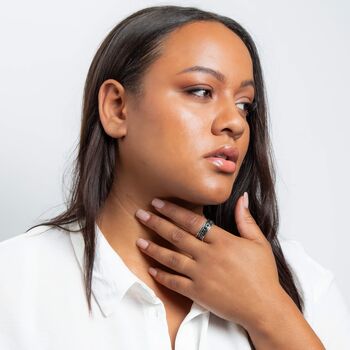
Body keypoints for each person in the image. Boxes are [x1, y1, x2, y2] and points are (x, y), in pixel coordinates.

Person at [0, 5, 349, 350]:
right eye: (201, 91)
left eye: (245, 104)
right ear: (117, 108)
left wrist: (270, 314)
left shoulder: (302, 283)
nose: (236, 122)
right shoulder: (14, 285)